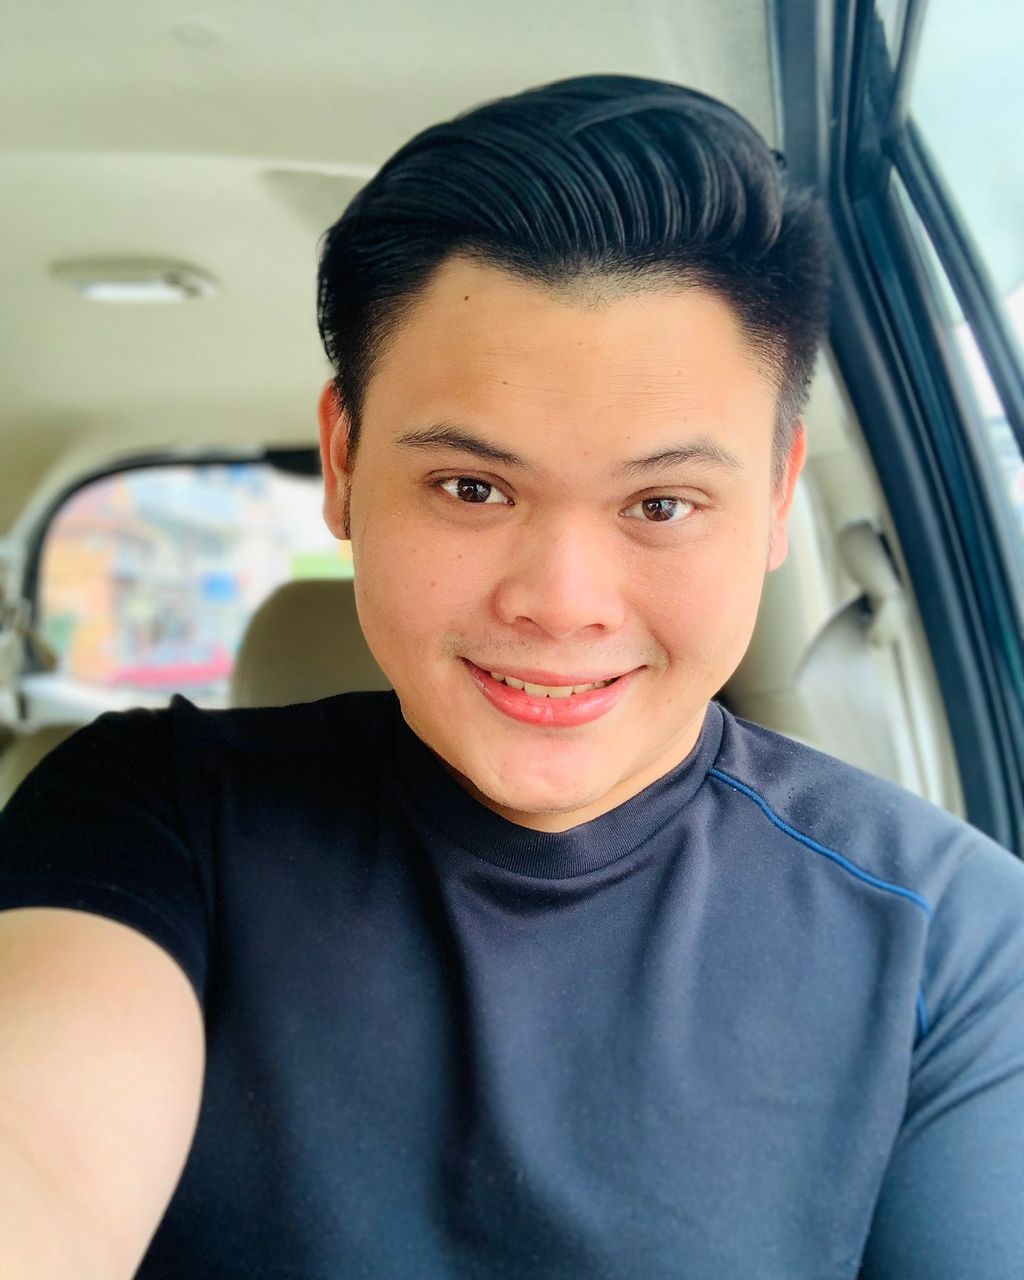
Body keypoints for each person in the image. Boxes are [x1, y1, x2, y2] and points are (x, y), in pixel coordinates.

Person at [1, 73, 1023, 1280]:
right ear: (344, 461)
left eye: (661, 503)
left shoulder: (951, 942)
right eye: (472, 487)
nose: (560, 599)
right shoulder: (150, 817)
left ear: (775, 497)